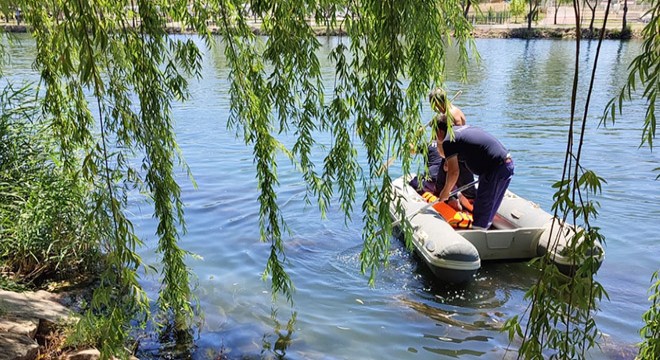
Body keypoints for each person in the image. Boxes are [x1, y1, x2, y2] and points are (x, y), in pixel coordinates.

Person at [433, 114, 514, 229]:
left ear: (439, 131)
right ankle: (485, 229)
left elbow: (453, 172)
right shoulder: (463, 130)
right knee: (489, 208)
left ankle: (479, 235)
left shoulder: (448, 140)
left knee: (481, 209)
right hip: (507, 164)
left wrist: (445, 192)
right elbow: (451, 160)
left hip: (494, 169)